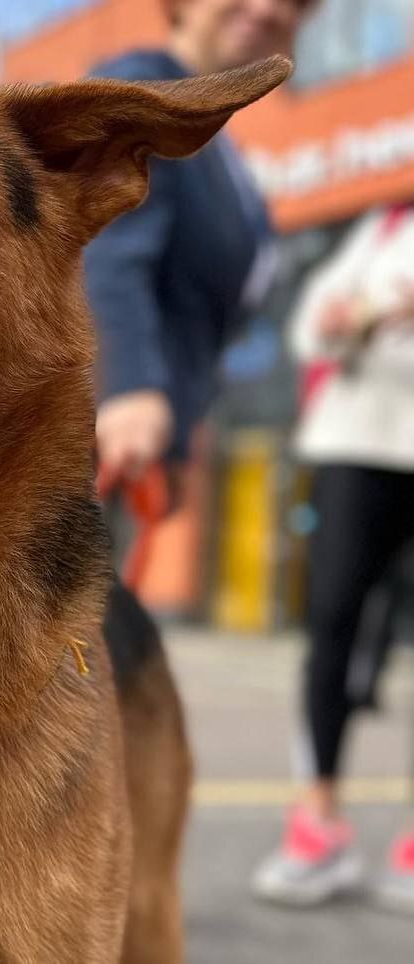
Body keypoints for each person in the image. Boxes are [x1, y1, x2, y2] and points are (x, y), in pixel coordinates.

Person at [252, 203, 414, 910]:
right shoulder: (382, 228)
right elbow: (310, 326)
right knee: (332, 623)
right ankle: (317, 823)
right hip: (355, 446)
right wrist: (360, 317)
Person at [87, 0, 316, 490]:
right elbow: (105, 242)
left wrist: (176, 436)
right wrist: (126, 385)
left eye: (295, 2)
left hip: (141, 446)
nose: (267, 8)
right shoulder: (143, 86)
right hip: (87, 436)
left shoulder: (221, 151)